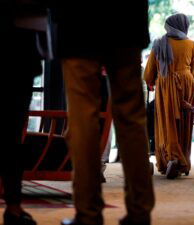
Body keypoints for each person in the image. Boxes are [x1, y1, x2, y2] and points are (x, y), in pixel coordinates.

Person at [53, 1, 155, 225]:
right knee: (132, 119)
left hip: (77, 23)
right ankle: (140, 211)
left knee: (82, 119)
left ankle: (88, 213)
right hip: (125, 21)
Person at [0, 1, 50, 224]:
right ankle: (13, 206)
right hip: (22, 35)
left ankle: (14, 205)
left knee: (13, 127)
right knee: (12, 127)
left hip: (22, 36)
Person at [144, 13, 194, 179]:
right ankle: (182, 160)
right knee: (184, 121)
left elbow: (149, 73)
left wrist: (152, 81)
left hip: (166, 86)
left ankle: (170, 158)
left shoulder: (159, 43)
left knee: (167, 122)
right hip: (186, 85)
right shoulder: (191, 44)